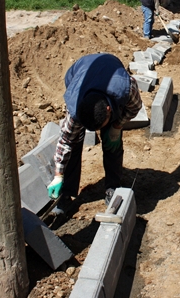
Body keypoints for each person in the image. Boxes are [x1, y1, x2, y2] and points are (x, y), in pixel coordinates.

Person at [47, 53, 143, 209]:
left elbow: (135, 108)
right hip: (77, 75)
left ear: (108, 110)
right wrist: (58, 175)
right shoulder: (75, 108)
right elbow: (65, 141)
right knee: (74, 140)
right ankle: (66, 193)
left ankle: (113, 186)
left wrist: (117, 126)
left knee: (112, 141)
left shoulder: (126, 87)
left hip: (110, 69)